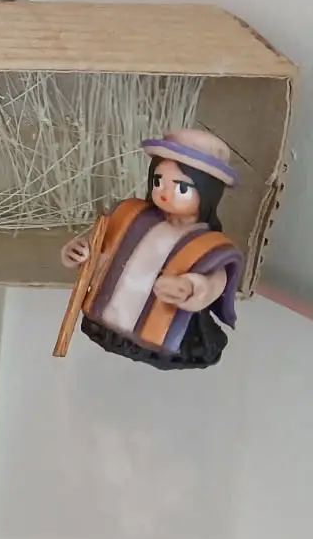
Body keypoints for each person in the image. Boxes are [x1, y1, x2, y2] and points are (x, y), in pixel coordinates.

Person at [61, 128, 242, 370]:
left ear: (207, 192)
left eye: (181, 188)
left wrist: (191, 288)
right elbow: (103, 255)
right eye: (158, 182)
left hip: (160, 332)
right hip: (107, 319)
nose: (164, 194)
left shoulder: (210, 245)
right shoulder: (131, 216)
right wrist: (82, 254)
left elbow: (214, 284)